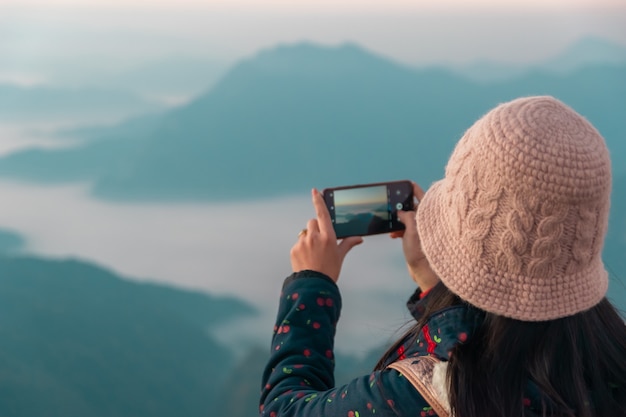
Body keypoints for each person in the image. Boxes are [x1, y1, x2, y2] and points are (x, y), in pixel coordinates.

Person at [259, 96, 626, 417]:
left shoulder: (421, 396)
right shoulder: (607, 361)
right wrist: (430, 284)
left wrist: (311, 286)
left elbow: (285, 408)